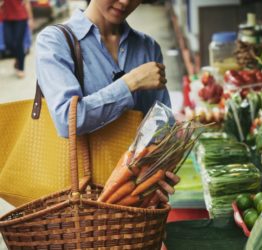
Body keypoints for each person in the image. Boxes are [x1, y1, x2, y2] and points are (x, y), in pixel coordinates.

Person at [35, 0, 179, 204]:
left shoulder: (148, 47)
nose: (125, 2)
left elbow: (162, 126)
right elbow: (67, 120)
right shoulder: (55, 41)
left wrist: (162, 168)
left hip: (137, 199)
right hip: (79, 201)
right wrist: (130, 82)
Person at [1, 0, 34, 78]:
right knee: (8, 43)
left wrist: (30, 19)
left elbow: (26, 3)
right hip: (7, 18)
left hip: (21, 17)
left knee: (18, 43)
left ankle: (21, 68)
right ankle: (18, 57)